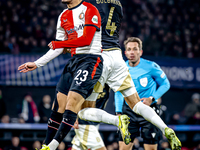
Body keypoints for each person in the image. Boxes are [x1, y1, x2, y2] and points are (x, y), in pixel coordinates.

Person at [19, 0, 181, 149]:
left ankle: (113, 122)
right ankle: (165, 128)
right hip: (117, 56)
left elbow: (86, 37)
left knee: (81, 111)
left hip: (98, 56)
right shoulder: (117, 4)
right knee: (137, 104)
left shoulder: (90, 5)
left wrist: (64, 44)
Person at [18, 0, 129, 149]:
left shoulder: (91, 10)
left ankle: (50, 147)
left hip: (90, 60)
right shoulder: (63, 16)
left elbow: (86, 40)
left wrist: (60, 44)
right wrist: (37, 63)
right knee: (58, 106)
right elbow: (57, 47)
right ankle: (46, 144)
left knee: (72, 103)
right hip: (74, 61)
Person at [114, 37, 170, 150]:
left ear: (140, 52)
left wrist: (152, 98)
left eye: (135, 49)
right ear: (125, 52)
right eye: (129, 49)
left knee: (150, 148)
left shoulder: (151, 66)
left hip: (149, 109)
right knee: (123, 147)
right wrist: (118, 112)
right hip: (129, 110)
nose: (132, 52)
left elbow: (165, 84)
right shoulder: (121, 69)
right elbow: (119, 92)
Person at [71, 84, 110, 150]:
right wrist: (73, 115)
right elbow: (75, 96)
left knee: (78, 147)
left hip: (94, 122)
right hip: (85, 123)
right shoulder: (89, 79)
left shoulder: (108, 82)